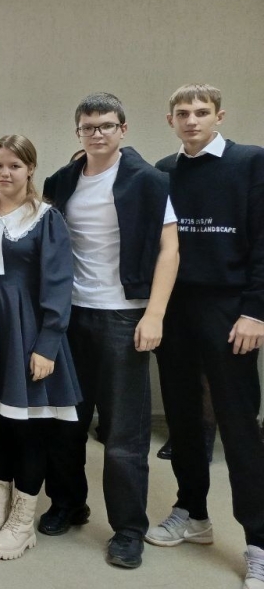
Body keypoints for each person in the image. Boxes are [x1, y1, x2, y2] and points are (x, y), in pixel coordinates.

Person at [41, 93, 178, 569]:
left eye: (106, 125)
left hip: (124, 315)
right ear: (78, 132)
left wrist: (154, 314)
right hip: (71, 315)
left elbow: (170, 249)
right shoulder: (62, 181)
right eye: (88, 127)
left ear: (123, 129)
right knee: (66, 422)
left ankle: (128, 529)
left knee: (124, 435)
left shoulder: (149, 180)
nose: (97, 133)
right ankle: (67, 503)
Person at [147, 84, 264, 589]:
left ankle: (258, 541)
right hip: (176, 310)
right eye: (182, 113)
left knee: (238, 425)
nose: (191, 120)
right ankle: (192, 512)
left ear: (220, 115)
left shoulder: (251, 162)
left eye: (201, 112)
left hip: (230, 311)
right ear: (170, 120)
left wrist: (255, 311)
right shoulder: (163, 172)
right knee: (184, 420)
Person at [0, 134, 79, 561]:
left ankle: (22, 521)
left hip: (26, 333)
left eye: (14, 165)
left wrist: (47, 344)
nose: (4, 173)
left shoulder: (45, 218)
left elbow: (59, 284)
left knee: (29, 428)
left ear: (30, 169)